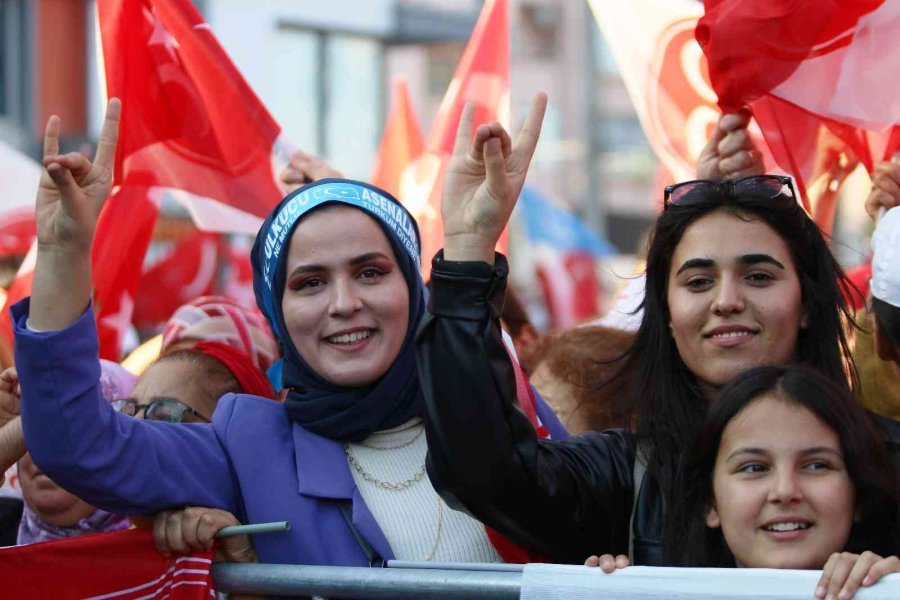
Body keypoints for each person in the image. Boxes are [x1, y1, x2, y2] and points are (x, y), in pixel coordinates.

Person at [14, 99, 562, 568]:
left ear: (411, 288)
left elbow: (597, 521)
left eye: (370, 271)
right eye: (310, 283)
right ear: (276, 311)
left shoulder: (499, 398)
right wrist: (63, 256)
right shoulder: (246, 443)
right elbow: (77, 446)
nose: (344, 304)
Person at [415, 94, 893, 566]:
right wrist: (468, 251)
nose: (727, 301)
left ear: (808, 303)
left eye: (759, 276)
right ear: (665, 311)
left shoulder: (886, 464)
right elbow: (484, 471)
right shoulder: (624, 479)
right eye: (699, 281)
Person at [588, 365, 900, 600]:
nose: (785, 491)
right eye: (753, 468)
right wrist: (604, 585)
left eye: (817, 465)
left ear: (858, 494)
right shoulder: (634, 589)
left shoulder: (889, 587)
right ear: (710, 502)